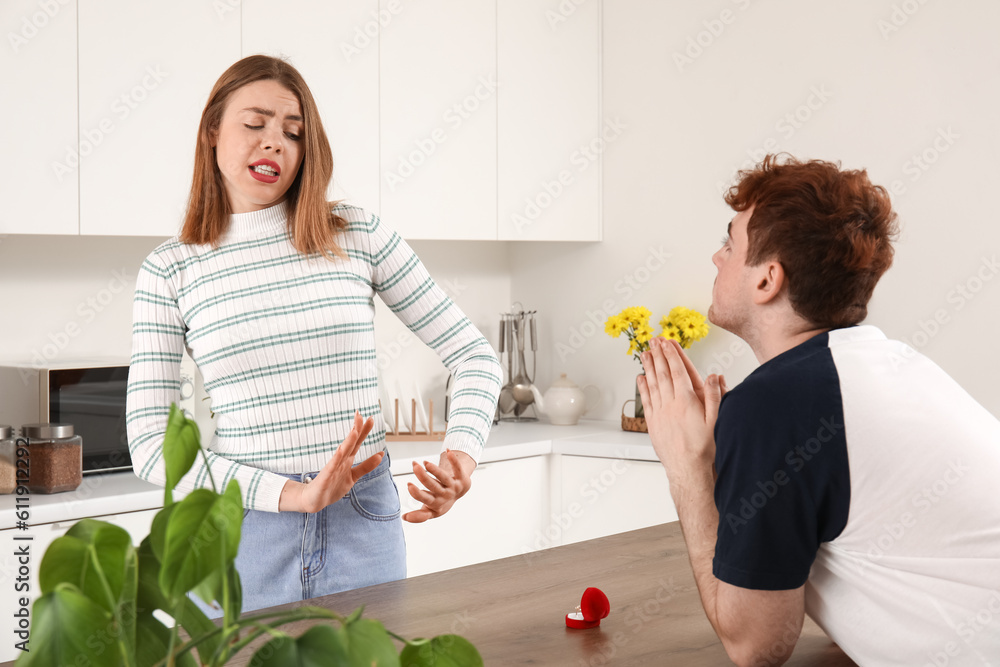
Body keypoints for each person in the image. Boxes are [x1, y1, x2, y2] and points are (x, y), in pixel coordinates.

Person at [126, 55, 501, 614]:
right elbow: (151, 445)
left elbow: (474, 356)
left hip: (362, 521)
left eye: (292, 132)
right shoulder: (171, 269)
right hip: (243, 532)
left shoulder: (358, 235)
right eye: (255, 124)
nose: (273, 142)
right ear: (211, 132)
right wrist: (293, 495)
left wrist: (460, 457)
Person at [638, 153, 1000, 666]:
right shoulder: (892, 368)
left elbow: (755, 647)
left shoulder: (776, 403)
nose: (716, 258)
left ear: (768, 279)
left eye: (730, 243)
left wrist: (687, 468)